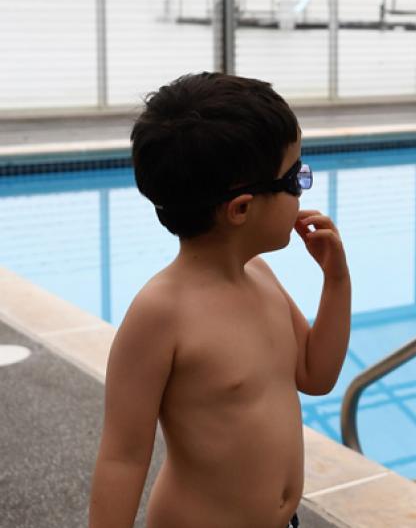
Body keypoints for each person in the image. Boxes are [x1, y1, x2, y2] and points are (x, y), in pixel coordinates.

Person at [89, 73, 351, 528]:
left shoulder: (262, 279)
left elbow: (315, 374)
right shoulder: (161, 314)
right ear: (241, 209)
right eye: (294, 177)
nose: (303, 188)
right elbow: (122, 458)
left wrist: (336, 282)